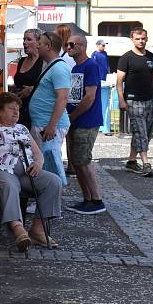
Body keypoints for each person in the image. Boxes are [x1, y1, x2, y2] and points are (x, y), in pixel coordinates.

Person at [0, 92, 62, 250]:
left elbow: (38, 153)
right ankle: (18, 229)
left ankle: (37, 231)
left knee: (53, 181)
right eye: (11, 108)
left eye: (17, 109)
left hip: (25, 172)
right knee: (10, 186)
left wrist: (38, 163)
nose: (16, 112)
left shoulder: (22, 128)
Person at [64, 36, 106, 215]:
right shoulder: (76, 67)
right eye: (67, 44)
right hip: (76, 120)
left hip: (86, 121)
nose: (68, 47)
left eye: (71, 45)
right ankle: (87, 198)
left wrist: (72, 116)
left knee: (83, 159)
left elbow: (90, 97)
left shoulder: (91, 66)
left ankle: (96, 200)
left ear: (82, 46)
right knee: (76, 161)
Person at [29, 31, 71, 186]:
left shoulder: (59, 68)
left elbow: (63, 98)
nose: (37, 46)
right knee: (43, 161)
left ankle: (51, 198)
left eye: (40, 43)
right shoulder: (50, 66)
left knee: (50, 163)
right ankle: (45, 195)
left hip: (49, 125)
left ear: (48, 46)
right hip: (43, 122)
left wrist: (52, 125)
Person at [116, 28, 153, 177]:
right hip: (134, 100)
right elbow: (119, 81)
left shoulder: (151, 56)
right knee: (141, 132)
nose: (141, 41)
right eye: (138, 39)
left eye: (143, 38)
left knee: (145, 132)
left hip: (150, 100)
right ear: (132, 40)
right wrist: (121, 100)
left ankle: (131, 161)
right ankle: (146, 163)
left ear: (146, 39)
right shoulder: (126, 58)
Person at [11, 28, 44, 128]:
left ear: (39, 43)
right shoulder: (22, 60)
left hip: (36, 111)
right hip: (19, 110)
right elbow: (18, 82)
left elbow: (50, 86)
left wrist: (32, 89)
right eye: (24, 39)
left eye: (29, 39)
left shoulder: (43, 61)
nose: (24, 42)